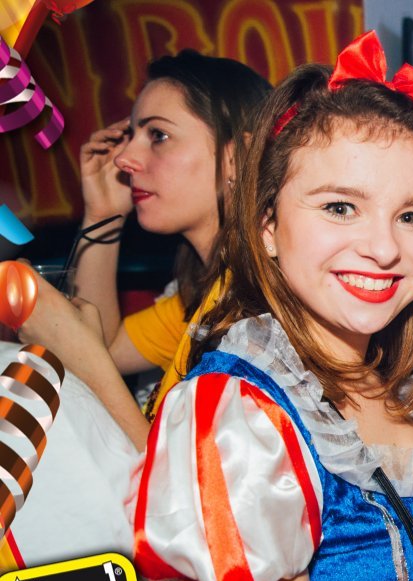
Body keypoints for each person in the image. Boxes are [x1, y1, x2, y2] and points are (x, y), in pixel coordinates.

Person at [131, 33, 413, 581]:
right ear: (267, 227)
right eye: (340, 206)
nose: (383, 247)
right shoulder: (235, 421)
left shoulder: (400, 373)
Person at [21, 50, 271, 435]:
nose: (124, 158)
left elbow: (175, 472)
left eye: (158, 135)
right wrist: (102, 214)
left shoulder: (259, 313)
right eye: (131, 136)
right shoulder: (208, 295)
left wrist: (80, 352)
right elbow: (106, 348)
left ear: (237, 157)